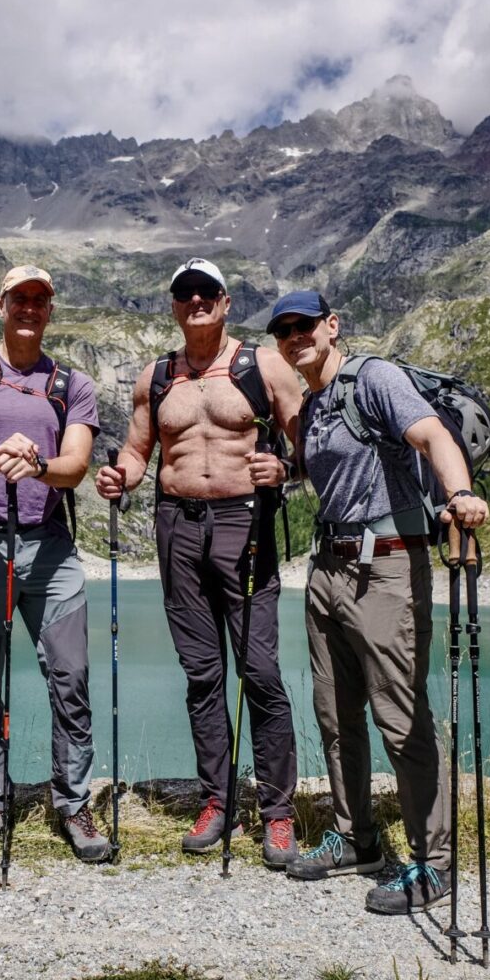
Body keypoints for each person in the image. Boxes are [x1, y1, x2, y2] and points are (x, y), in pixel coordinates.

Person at [265, 289, 488, 915]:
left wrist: (461, 492)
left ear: (331, 327)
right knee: (336, 716)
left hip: (386, 568)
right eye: (283, 330)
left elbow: (431, 436)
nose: (294, 336)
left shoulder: (376, 380)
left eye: (304, 324)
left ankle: (433, 862)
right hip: (328, 571)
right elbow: (330, 471)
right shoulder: (313, 406)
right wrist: (285, 474)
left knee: (400, 717)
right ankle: (358, 838)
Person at [96, 257, 301, 867]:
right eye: (184, 294)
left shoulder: (263, 366)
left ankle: (278, 812)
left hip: (246, 525)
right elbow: (138, 450)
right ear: (174, 304)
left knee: (259, 672)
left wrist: (286, 470)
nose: (195, 302)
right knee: (202, 675)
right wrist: (120, 478)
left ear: (225, 300)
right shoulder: (157, 376)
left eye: (206, 292)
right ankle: (217, 800)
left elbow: (306, 442)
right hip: (177, 527)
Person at [0, 265, 110, 864]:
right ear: (1, 304)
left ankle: (73, 804)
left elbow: (76, 468)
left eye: (40, 300)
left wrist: (35, 465)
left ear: (49, 310)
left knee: (71, 678)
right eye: (20, 299)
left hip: (51, 546)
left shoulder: (72, 384)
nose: (29, 308)